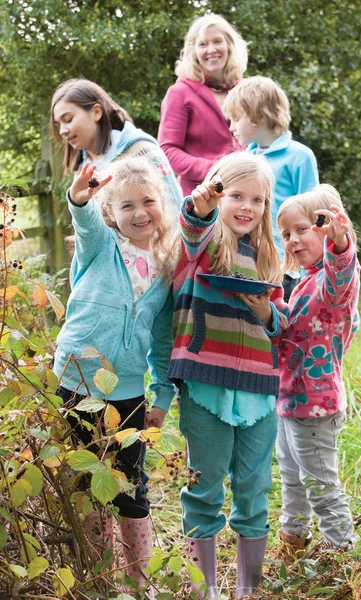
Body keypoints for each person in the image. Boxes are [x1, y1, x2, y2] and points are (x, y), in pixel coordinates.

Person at [160, 152, 287, 599]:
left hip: (258, 390)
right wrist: (201, 206)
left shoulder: (270, 258)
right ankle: (204, 589)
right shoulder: (208, 244)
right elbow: (193, 230)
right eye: (236, 195)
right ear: (219, 193)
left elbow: (280, 323)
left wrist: (267, 311)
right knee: (205, 485)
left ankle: (246, 590)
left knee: (254, 490)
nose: (246, 207)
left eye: (257, 199)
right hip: (206, 384)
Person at [53, 156, 176, 596]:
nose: (140, 213)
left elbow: (163, 340)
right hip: (77, 382)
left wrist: (161, 396)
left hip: (127, 393)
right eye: (127, 206)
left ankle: (138, 584)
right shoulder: (100, 245)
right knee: (90, 485)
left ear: (162, 204)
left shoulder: (165, 268)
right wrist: (80, 197)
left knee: (130, 489)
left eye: (148, 202)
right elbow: (84, 220)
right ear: (111, 213)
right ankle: (99, 579)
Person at [272, 184, 360, 562]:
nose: (292, 240)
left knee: (320, 485)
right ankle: (293, 540)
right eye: (286, 233)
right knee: (291, 478)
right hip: (289, 401)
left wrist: (338, 241)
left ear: (326, 228)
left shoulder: (331, 283)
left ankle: (341, 555)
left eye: (302, 229)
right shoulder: (304, 281)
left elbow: (341, 269)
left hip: (316, 409)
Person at [223, 76, 320, 301]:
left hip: (283, 267)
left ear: (260, 117)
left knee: (279, 327)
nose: (231, 127)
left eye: (237, 119)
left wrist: (310, 272)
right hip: (245, 261)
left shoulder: (299, 157)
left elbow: (313, 218)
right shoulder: (244, 158)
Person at [50, 77, 182, 209]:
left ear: (96, 112)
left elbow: (175, 208)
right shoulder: (82, 168)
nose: (62, 131)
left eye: (68, 119)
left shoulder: (141, 150)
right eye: (58, 124)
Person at [157, 14, 248, 197]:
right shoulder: (180, 93)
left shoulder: (246, 89)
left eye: (217, 41)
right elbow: (167, 151)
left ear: (229, 45)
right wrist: (216, 169)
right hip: (200, 197)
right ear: (193, 51)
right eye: (203, 44)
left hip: (245, 193)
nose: (211, 49)